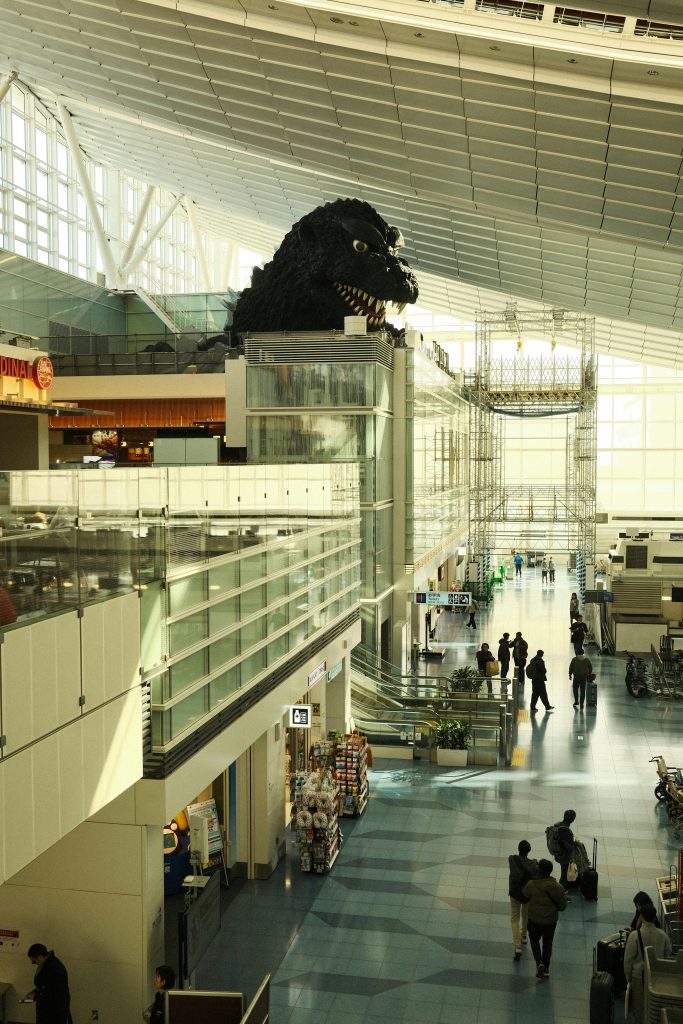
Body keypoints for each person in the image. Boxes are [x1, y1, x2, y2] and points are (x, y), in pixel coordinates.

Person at [624, 903, 671, 1024]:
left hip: (638, 976)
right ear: (655, 917)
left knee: (639, 1007)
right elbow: (668, 955)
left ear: (641, 917)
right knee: (655, 1007)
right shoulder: (663, 935)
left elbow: (628, 959)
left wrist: (628, 977)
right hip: (657, 977)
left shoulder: (634, 936)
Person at [522, 859, 567, 979]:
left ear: (539, 870)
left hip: (534, 919)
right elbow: (562, 906)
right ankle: (546, 967)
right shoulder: (558, 887)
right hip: (550, 921)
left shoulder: (531, 885)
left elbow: (524, 895)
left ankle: (539, 962)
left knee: (534, 940)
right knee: (548, 943)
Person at [25, 943, 71, 1023]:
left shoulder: (55, 968)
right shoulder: (46, 964)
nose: (33, 963)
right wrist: (35, 993)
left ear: (40, 957)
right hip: (47, 1011)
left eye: (34, 961)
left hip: (54, 1013)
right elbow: (46, 985)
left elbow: (57, 993)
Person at [509, 840, 539, 960]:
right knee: (525, 914)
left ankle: (517, 947)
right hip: (527, 894)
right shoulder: (532, 864)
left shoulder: (511, 859)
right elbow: (535, 870)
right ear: (529, 851)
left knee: (514, 918)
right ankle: (524, 935)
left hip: (515, 892)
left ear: (518, 849)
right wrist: (535, 862)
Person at [549, 810, 576, 889]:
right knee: (564, 874)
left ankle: (562, 886)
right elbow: (569, 848)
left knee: (563, 872)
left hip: (557, 853)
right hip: (563, 856)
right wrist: (574, 843)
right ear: (573, 820)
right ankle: (562, 889)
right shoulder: (567, 832)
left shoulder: (557, 825)